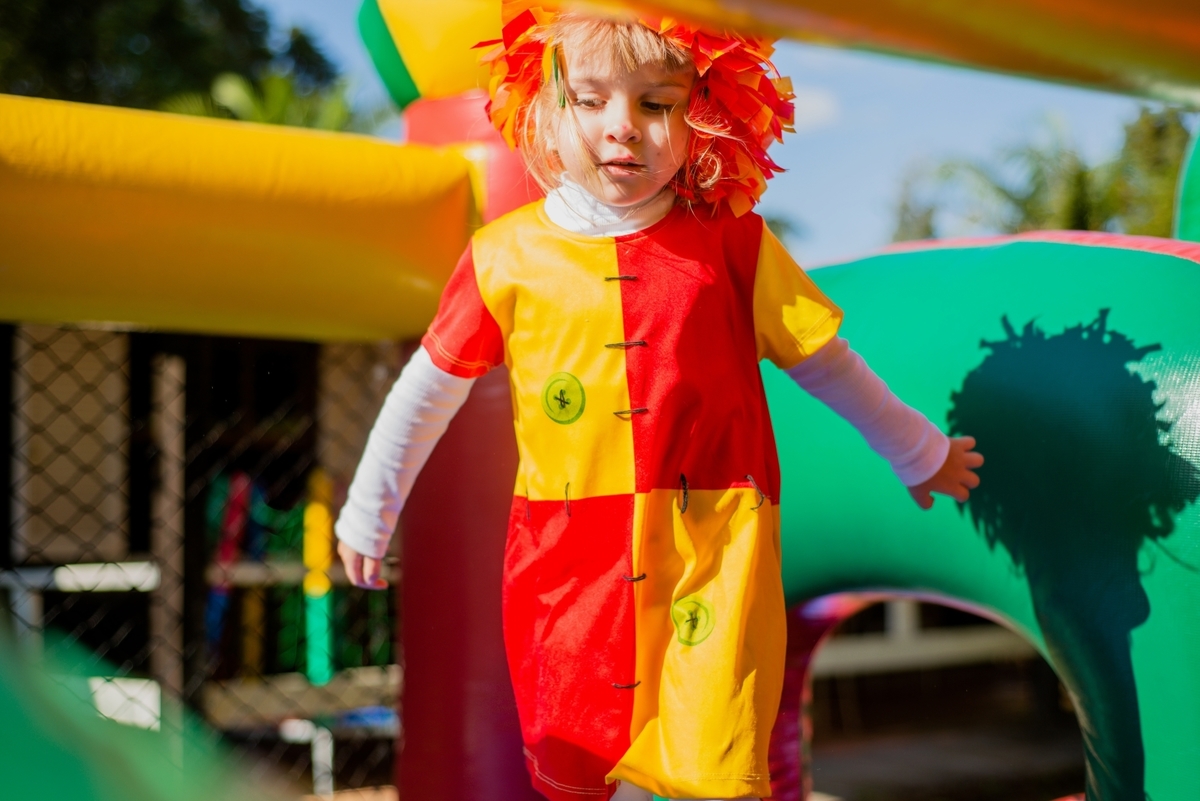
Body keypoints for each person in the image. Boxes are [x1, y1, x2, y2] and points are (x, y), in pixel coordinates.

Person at [334, 4, 983, 800]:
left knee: (711, 759)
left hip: (714, 547)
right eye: (591, 99)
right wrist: (371, 506)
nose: (624, 128)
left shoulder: (731, 240)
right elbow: (428, 388)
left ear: (701, 116)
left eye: (656, 103)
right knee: (580, 758)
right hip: (569, 558)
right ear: (541, 106)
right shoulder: (505, 256)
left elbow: (825, 360)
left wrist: (918, 450)